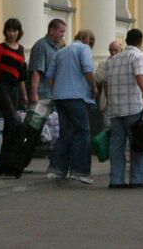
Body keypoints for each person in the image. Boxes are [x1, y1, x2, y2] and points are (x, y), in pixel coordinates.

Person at [104, 28, 143, 188]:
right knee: (137, 143)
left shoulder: (113, 59)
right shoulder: (138, 56)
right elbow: (140, 77)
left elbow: (106, 82)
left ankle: (116, 179)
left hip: (116, 107)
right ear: (140, 42)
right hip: (133, 106)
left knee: (116, 145)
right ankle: (138, 179)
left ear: (126, 40)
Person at [47, 28, 97, 184]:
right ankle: (80, 171)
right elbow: (88, 70)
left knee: (65, 133)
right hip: (77, 96)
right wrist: (93, 87)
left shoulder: (61, 52)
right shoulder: (84, 48)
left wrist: (56, 90)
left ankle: (57, 169)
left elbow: (49, 76)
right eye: (91, 41)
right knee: (83, 132)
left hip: (60, 97)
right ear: (86, 39)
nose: (91, 44)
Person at [0, 17, 28, 176]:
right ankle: (10, 162)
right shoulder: (0, 48)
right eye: (9, 30)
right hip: (1, 88)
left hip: (14, 89)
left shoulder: (21, 49)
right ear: (5, 31)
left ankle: (5, 166)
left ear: (19, 32)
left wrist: (24, 95)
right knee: (14, 121)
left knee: (11, 127)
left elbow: (21, 76)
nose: (12, 33)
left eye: (15, 30)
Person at [27, 18, 67, 104]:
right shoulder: (41, 46)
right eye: (61, 31)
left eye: (64, 32)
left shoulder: (57, 46)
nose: (63, 35)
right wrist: (34, 94)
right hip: (42, 94)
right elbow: (36, 71)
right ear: (52, 30)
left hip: (54, 92)